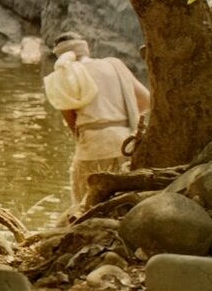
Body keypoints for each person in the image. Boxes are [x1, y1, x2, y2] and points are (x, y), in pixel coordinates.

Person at [44, 31, 150, 211]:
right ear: (85, 49)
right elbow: (146, 101)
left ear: (60, 55)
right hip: (125, 142)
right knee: (122, 203)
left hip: (93, 145)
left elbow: (72, 123)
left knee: (85, 206)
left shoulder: (67, 75)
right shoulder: (115, 65)